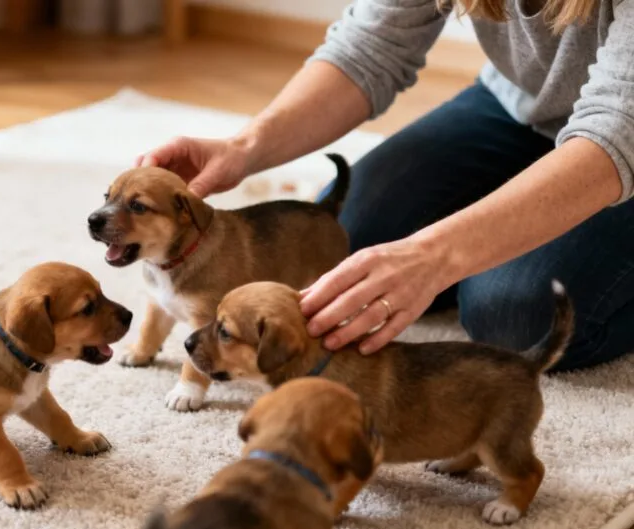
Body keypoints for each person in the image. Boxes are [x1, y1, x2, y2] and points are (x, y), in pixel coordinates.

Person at [135, 0, 634, 372]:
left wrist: (436, 255)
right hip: (523, 105)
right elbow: (369, 46)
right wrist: (242, 148)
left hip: (622, 133)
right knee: (341, 238)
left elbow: (617, 127)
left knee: (513, 313)